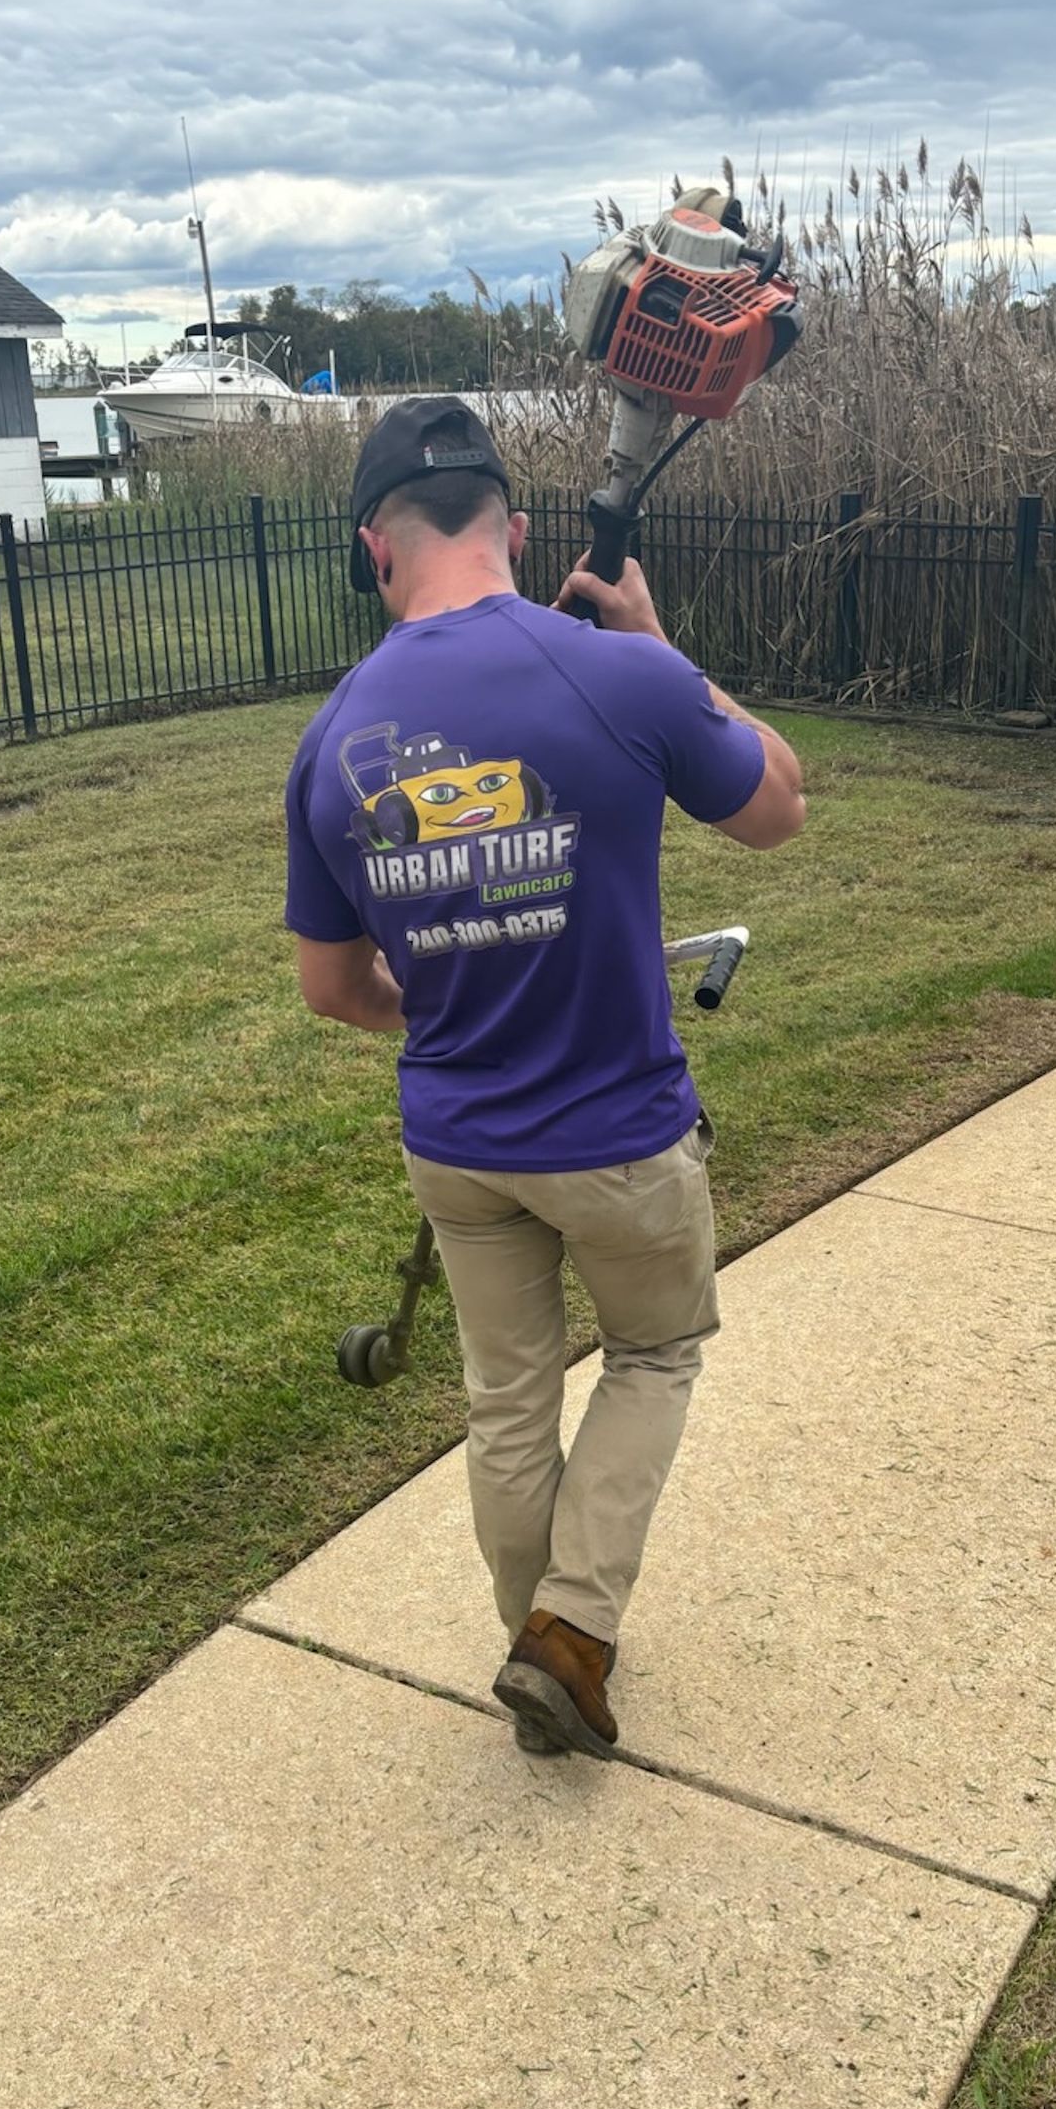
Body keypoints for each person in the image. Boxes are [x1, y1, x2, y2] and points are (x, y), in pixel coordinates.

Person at [284, 396, 806, 1758]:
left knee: (508, 1400)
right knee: (654, 1351)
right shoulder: (614, 676)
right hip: (619, 1136)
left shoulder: (332, 741)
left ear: (371, 550)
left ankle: (545, 1654)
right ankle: (567, 1637)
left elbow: (336, 989)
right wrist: (665, 647)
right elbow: (778, 809)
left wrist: (448, 981)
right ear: (513, 532)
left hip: (459, 1145)